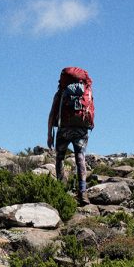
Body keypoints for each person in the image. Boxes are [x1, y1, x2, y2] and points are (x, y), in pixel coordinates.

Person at [47, 66, 94, 202]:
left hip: (64, 129)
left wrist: (49, 134)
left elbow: (52, 114)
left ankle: (61, 190)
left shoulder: (61, 92)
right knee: (80, 158)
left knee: (60, 158)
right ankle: (83, 192)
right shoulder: (86, 91)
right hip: (81, 129)